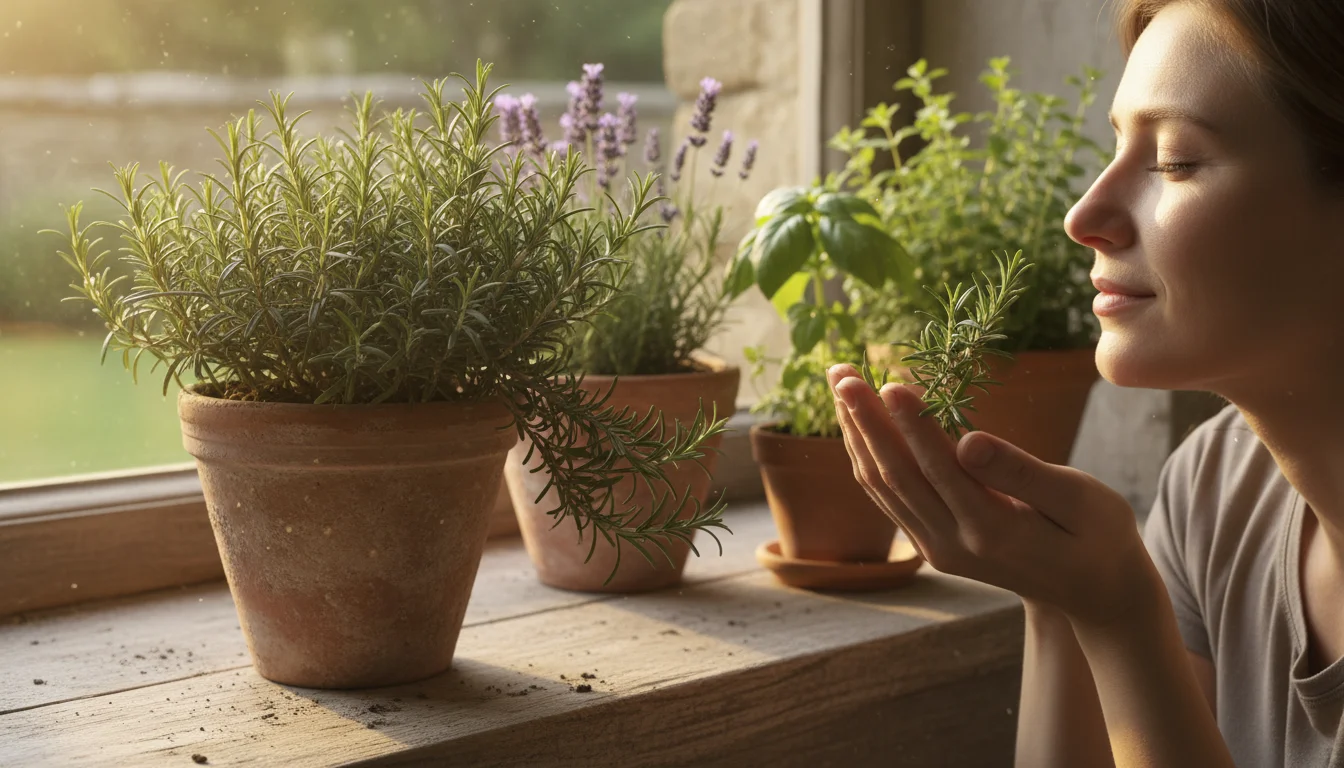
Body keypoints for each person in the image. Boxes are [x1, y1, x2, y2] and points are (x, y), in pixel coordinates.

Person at [827, 0, 1344, 765]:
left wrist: (1118, 617)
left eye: (1173, 160)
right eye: (1116, 146)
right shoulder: (1218, 485)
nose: (1084, 213)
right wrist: (1059, 596)